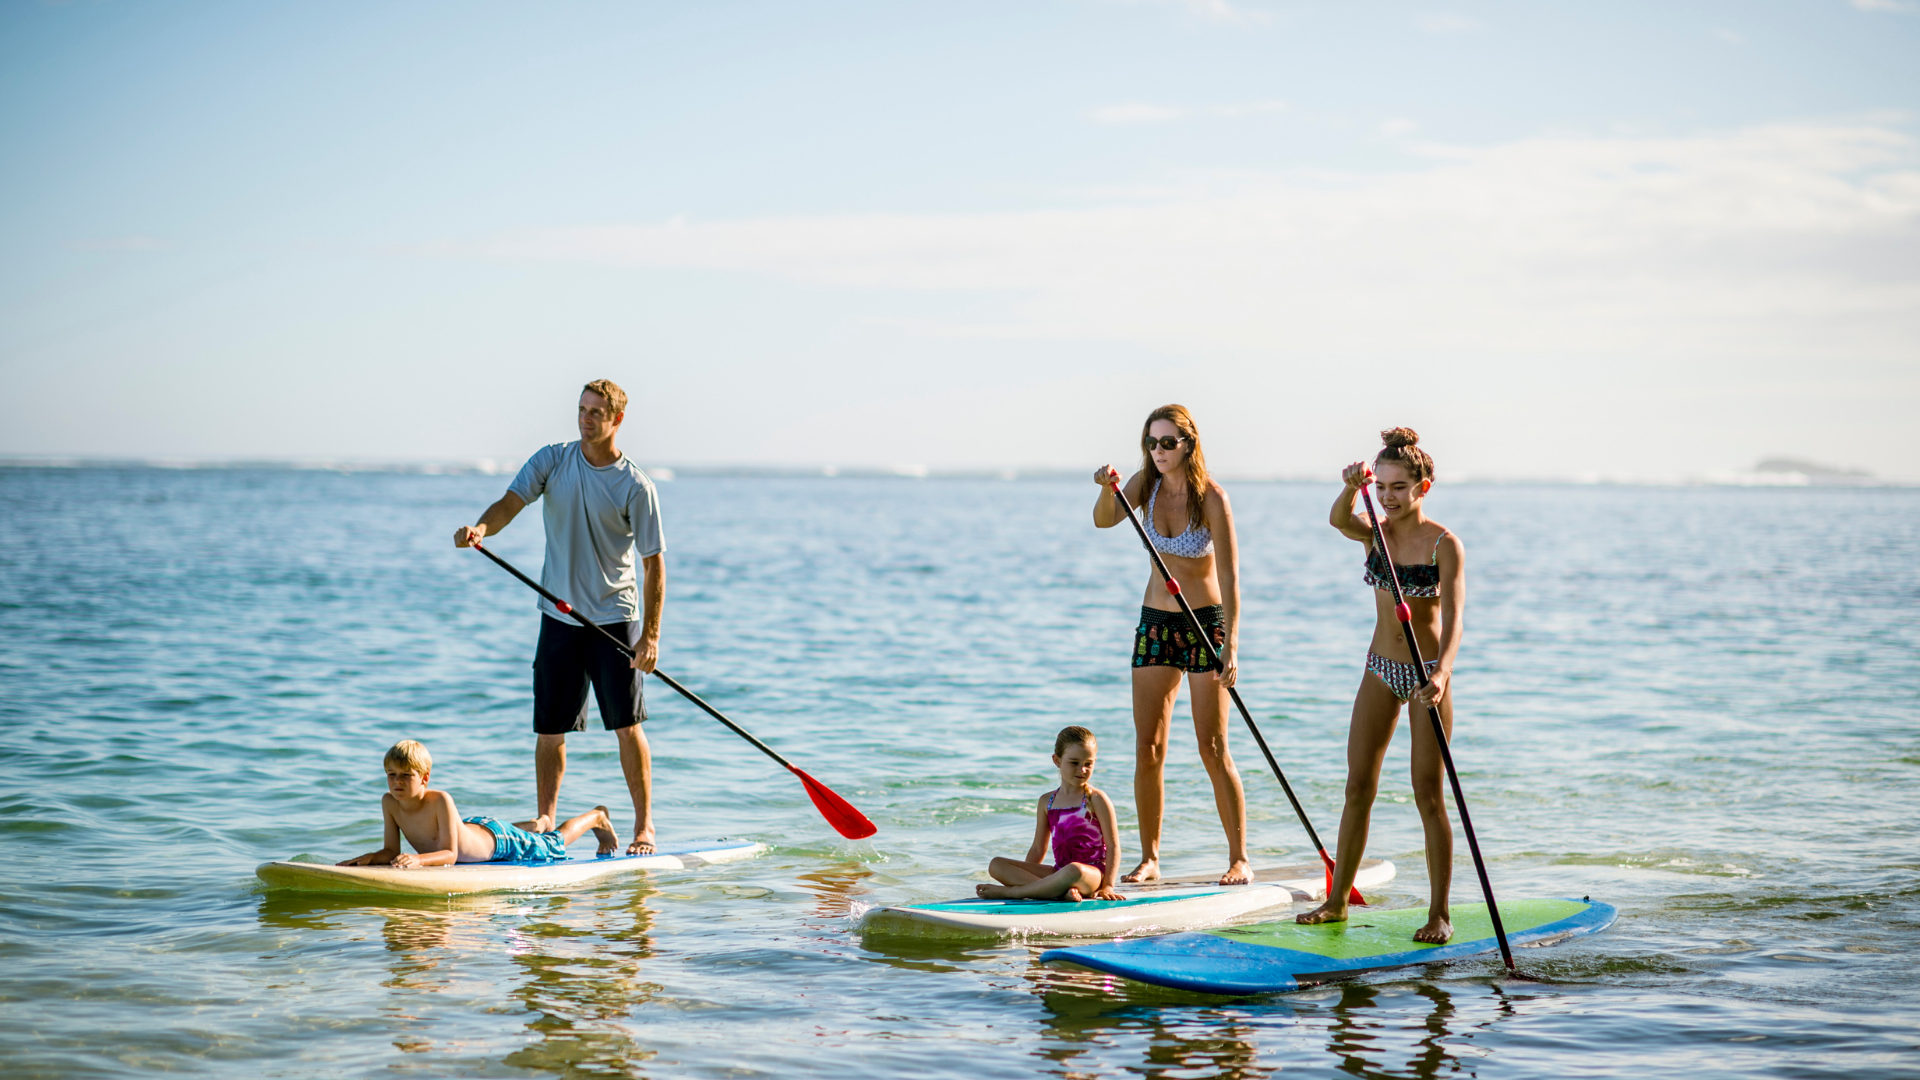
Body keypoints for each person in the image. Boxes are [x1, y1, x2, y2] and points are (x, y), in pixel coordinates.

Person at [455, 378, 665, 855]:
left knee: (627, 726)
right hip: (559, 616)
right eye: (581, 410)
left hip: (614, 619)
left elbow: (654, 564)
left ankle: (644, 827)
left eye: (596, 412)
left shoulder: (636, 486)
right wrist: (481, 529)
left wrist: (649, 636)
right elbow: (511, 502)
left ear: (617, 420)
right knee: (550, 729)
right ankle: (547, 816)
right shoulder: (553, 460)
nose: (586, 419)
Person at [1298, 427, 1465, 943]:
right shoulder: (1375, 531)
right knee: (1357, 787)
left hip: (1425, 674)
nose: (1389, 498)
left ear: (1423, 487)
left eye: (1399, 487)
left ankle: (1439, 913)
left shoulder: (1444, 543)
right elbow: (1337, 519)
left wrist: (1441, 674)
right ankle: (1336, 903)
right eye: (1383, 487)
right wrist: (1353, 486)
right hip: (1379, 668)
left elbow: (1456, 619)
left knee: (1428, 795)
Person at [1092, 404, 1251, 887]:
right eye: (1151, 442)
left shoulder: (1213, 499)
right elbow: (1103, 521)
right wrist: (1107, 489)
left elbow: (1230, 575)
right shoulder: (1144, 483)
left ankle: (1239, 857)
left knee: (1213, 745)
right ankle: (1150, 857)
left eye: (1167, 442)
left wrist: (1233, 645)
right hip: (1156, 623)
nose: (1158, 451)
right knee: (1149, 747)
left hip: (1206, 625)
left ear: (1188, 444)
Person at [339, 740, 617, 867]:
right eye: (391, 775)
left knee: (553, 843)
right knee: (535, 832)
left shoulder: (440, 800)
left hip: (498, 840)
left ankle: (596, 816)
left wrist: (418, 860)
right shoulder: (389, 803)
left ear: (424, 778)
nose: (396, 782)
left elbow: (450, 854)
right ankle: (536, 823)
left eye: (406, 776)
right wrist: (370, 858)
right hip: (472, 828)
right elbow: (391, 850)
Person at [977, 726, 1123, 901]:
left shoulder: (1096, 799)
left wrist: (1108, 885)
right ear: (1057, 761)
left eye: (1088, 764)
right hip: (1059, 872)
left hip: (1090, 874)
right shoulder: (1047, 802)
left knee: (1073, 869)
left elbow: (1113, 846)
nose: (1082, 769)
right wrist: (1021, 874)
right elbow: (1038, 848)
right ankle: (1056, 892)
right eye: (1074, 763)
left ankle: (1014, 892)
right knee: (997, 865)